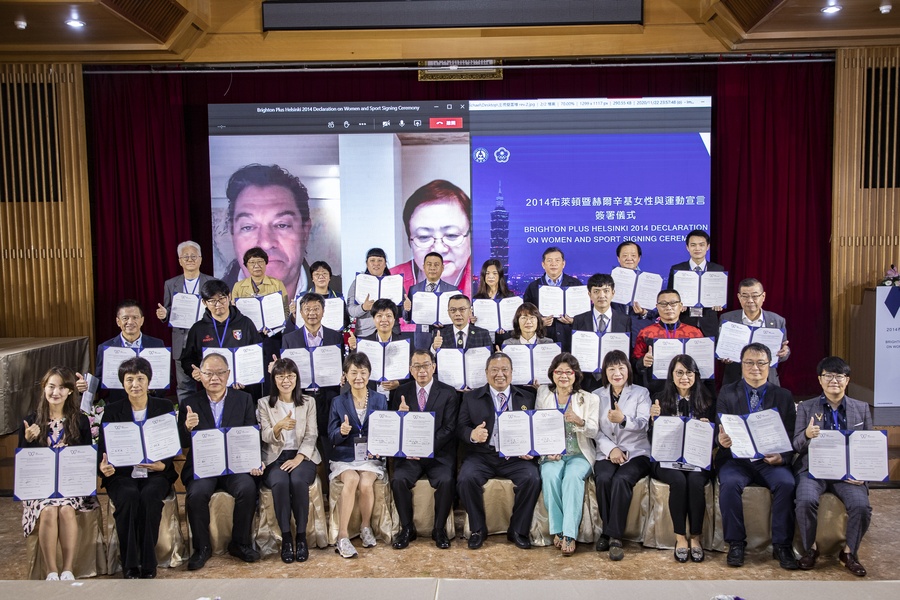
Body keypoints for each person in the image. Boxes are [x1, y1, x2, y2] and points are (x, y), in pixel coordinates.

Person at [716, 342, 798, 570]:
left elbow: (792, 434)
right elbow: (718, 428)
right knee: (730, 483)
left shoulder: (782, 395)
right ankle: (736, 543)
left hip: (770, 461)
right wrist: (720, 441)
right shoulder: (727, 392)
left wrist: (782, 457)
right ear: (741, 365)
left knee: (786, 483)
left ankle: (782, 545)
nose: (755, 368)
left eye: (761, 363)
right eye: (749, 362)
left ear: (770, 365)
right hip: (736, 459)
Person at [178, 353, 263, 571]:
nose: (214, 378)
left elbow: (249, 435)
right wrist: (187, 428)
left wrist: (254, 460)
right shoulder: (189, 403)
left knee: (247, 488)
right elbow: (182, 443)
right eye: (209, 373)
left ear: (228, 374)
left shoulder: (243, 399)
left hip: (235, 466)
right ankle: (202, 548)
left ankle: (240, 543)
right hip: (204, 467)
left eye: (219, 373)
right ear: (200, 375)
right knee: (196, 494)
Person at [98, 357, 177, 579]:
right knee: (129, 496)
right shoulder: (113, 410)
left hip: (156, 471)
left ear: (149, 381)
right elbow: (103, 450)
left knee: (150, 495)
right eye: (129, 379)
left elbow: (171, 443)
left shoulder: (163, 406)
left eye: (140, 378)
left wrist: (164, 465)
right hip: (122, 474)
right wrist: (105, 468)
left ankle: (148, 561)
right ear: (122, 383)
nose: (135, 384)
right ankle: (130, 563)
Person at [792, 356, 872, 577]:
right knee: (806, 500)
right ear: (820, 380)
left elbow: (869, 446)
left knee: (861, 506)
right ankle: (810, 549)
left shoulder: (861, 408)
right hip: (813, 471)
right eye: (828, 375)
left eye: (839, 376)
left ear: (847, 380)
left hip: (847, 473)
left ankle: (849, 553)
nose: (833, 380)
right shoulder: (806, 408)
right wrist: (807, 435)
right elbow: (796, 446)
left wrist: (863, 475)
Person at [457, 352, 540, 550]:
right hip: (483, 456)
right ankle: (478, 530)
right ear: (486, 373)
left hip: (516, 457)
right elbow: (460, 427)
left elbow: (536, 427)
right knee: (465, 478)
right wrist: (472, 434)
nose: (499, 374)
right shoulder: (471, 398)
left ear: (512, 372)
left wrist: (532, 448)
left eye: (504, 370)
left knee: (532, 478)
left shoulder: (527, 396)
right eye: (494, 370)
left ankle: (518, 531)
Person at [19, 366, 95, 581]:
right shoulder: (31, 421)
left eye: (62, 388)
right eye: (51, 387)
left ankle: (68, 569)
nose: (56, 392)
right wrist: (29, 440)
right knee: (50, 510)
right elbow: (24, 464)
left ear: (70, 391)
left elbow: (87, 458)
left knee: (66, 510)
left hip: (71, 485)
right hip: (41, 487)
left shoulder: (79, 421)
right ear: (44, 388)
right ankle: (52, 571)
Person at [388, 350, 460, 550]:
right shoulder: (401, 392)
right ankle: (407, 529)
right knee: (398, 480)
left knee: (446, 480)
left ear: (434, 367)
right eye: (417, 366)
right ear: (410, 370)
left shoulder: (448, 392)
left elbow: (449, 428)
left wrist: (426, 447)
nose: (422, 371)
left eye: (426, 365)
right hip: (410, 455)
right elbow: (395, 427)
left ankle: (439, 530)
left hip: (438, 453)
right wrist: (400, 416)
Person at [648, 355, 715, 563]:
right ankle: (680, 538)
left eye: (689, 373)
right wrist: (654, 421)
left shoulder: (708, 399)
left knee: (695, 481)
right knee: (678, 481)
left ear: (695, 375)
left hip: (696, 459)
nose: (684, 377)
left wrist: (706, 431)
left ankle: (695, 537)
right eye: (679, 372)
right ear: (671, 375)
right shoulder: (660, 398)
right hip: (667, 459)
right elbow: (651, 439)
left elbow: (716, 441)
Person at [534, 353, 598, 556]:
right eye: (558, 371)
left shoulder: (589, 398)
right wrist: (546, 451)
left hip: (579, 453)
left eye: (568, 372)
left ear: (575, 375)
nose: (563, 376)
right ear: (552, 374)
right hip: (552, 453)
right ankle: (558, 529)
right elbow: (536, 425)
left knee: (572, 477)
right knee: (550, 475)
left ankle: (570, 534)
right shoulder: (543, 393)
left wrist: (580, 421)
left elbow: (594, 431)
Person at [257, 358, 320, 564]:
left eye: (290, 376)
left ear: (296, 378)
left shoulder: (308, 402)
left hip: (303, 455)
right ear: (274, 379)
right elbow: (265, 435)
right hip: (275, 456)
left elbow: (312, 435)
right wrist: (278, 427)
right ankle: (286, 538)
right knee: (280, 482)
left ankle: (300, 537)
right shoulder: (264, 403)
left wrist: (298, 458)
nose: (286, 380)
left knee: (298, 481)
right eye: (281, 376)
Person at [221, 164, 314, 301]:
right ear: (232, 234)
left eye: (282, 225)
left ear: (304, 232)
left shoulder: (342, 296)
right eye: (248, 227)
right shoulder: (205, 306)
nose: (265, 243)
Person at [328, 353, 389, 558]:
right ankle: (342, 536)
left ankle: (365, 527)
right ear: (346, 375)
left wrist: (380, 446)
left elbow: (386, 431)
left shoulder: (380, 399)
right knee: (352, 478)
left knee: (365, 482)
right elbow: (331, 436)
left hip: (371, 456)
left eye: (363, 372)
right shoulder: (338, 401)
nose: (359, 377)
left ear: (369, 374)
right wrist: (342, 432)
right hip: (345, 455)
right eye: (353, 372)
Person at [593, 350, 651, 561]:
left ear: (628, 369)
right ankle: (610, 531)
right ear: (605, 372)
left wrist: (623, 419)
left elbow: (644, 424)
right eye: (611, 369)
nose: (617, 373)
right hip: (607, 451)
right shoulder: (596, 395)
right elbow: (594, 429)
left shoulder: (641, 393)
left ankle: (612, 535)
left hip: (636, 451)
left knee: (621, 479)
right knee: (603, 478)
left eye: (621, 368)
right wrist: (611, 450)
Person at [281, 292, 345, 463]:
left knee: (328, 442)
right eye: (307, 309)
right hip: (301, 398)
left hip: (328, 396)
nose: (312, 313)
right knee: (304, 440)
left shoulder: (335, 336)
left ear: (323, 311)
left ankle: (329, 482)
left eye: (316, 308)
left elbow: (342, 365)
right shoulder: (289, 339)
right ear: (300, 313)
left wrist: (343, 375)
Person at [180, 279, 263, 399]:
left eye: (221, 299)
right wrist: (193, 371)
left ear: (229, 297)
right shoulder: (198, 329)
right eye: (212, 301)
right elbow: (187, 359)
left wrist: (249, 376)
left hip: (243, 390)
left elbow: (259, 354)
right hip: (210, 390)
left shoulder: (245, 323)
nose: (218, 305)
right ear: (204, 302)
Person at [393, 180, 473, 300]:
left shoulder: (488, 281)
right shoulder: (389, 281)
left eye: (451, 235)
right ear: (410, 242)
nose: (438, 250)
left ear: (470, 236)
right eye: (424, 237)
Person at [156, 241, 214, 402]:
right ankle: (186, 423)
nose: (190, 259)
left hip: (207, 339)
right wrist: (163, 314)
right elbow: (167, 310)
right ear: (180, 260)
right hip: (181, 341)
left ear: (200, 259)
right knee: (184, 386)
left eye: (193, 256)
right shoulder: (170, 284)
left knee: (211, 383)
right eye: (185, 256)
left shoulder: (211, 282)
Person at [78, 300, 165, 404]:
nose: (130, 322)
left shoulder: (156, 344)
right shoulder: (106, 347)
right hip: (118, 404)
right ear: (118, 321)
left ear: (142, 320)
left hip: (150, 402)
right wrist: (86, 385)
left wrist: (153, 391)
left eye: (135, 317)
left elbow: (167, 377)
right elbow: (100, 380)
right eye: (125, 318)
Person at [719, 278, 790, 386]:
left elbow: (783, 350)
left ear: (763, 296)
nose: (750, 300)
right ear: (739, 297)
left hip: (768, 382)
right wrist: (723, 355)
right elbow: (721, 348)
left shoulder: (777, 321)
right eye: (745, 296)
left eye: (755, 296)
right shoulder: (727, 319)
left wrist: (785, 352)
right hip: (735, 380)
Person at [632, 289, 703, 395]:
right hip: (656, 390)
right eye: (663, 304)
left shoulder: (694, 333)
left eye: (673, 303)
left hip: (688, 389)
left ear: (681, 306)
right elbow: (634, 364)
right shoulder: (646, 333)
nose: (669, 307)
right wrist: (643, 362)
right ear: (657, 306)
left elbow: (702, 364)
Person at [571, 273, 633, 392]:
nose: (601, 295)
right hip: (586, 379)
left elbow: (628, 351)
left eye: (606, 291)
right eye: (596, 291)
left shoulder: (624, 320)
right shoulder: (579, 319)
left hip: (616, 378)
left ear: (613, 293)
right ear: (589, 294)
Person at [665, 230, 725, 338]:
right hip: (684, 321)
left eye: (701, 245)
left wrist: (719, 302)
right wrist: (677, 305)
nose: (697, 248)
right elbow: (670, 295)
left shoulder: (717, 269)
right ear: (687, 247)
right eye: (693, 245)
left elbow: (721, 294)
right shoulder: (677, 269)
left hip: (709, 324)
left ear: (708, 247)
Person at [522, 247, 583, 352]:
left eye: (557, 260)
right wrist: (539, 322)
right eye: (549, 260)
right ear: (543, 264)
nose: (553, 264)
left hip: (570, 340)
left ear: (563, 264)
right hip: (542, 340)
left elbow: (585, 316)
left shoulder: (576, 285)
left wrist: (573, 321)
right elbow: (524, 315)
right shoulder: (533, 287)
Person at [348, 298, 410, 396]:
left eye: (388, 316)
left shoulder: (405, 344)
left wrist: (398, 383)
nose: (384, 319)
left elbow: (412, 373)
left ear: (394, 319)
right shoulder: (364, 344)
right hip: (370, 397)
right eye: (379, 316)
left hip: (397, 397)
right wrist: (354, 349)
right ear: (373, 319)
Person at [402, 251, 459, 351]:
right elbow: (407, 320)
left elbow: (457, 316)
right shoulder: (414, 289)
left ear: (442, 268)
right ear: (423, 267)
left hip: (445, 337)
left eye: (436, 265)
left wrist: (447, 322)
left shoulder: (453, 290)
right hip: (422, 339)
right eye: (429, 264)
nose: (432, 268)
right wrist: (406, 310)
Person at [347, 248, 404, 339]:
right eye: (372, 260)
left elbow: (401, 313)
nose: (376, 264)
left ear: (385, 264)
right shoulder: (358, 282)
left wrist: (406, 308)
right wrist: (363, 308)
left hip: (392, 333)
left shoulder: (394, 283)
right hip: (365, 333)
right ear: (367, 263)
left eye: (380, 260)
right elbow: (351, 311)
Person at [230, 246, 291, 329]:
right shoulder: (238, 286)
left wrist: (276, 328)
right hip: (248, 330)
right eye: (252, 262)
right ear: (246, 265)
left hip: (273, 331)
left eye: (260, 262)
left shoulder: (277, 284)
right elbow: (235, 313)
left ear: (266, 263)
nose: (256, 266)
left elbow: (285, 310)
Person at [290, 260, 349, 329]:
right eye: (317, 274)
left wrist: (336, 327)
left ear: (329, 277)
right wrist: (294, 315)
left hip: (332, 336)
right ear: (312, 278)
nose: (321, 277)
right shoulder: (302, 297)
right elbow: (296, 323)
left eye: (324, 273)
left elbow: (346, 320)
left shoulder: (338, 297)